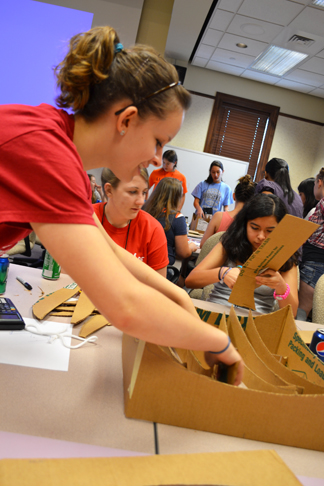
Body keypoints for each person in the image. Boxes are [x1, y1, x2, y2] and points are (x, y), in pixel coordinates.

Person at [0, 26, 243, 384]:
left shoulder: (63, 156)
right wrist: (218, 342)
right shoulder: (47, 152)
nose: (158, 159)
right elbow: (124, 307)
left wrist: (178, 296)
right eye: (159, 142)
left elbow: (110, 251)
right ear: (127, 120)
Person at [186, 194, 299, 316]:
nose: (261, 236)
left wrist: (281, 287)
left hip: (255, 323)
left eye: (270, 231)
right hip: (216, 313)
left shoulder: (285, 257)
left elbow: (292, 312)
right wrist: (223, 272)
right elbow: (191, 281)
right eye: (255, 228)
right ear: (245, 224)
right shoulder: (229, 244)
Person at [93, 167, 168, 277]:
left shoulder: (152, 229)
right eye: (133, 192)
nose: (141, 201)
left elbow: (160, 289)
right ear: (109, 190)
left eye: (144, 192)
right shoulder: (85, 218)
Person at [143, 178, 197, 280]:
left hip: (139, 264)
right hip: (162, 272)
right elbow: (183, 252)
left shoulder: (143, 210)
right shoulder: (176, 217)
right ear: (177, 197)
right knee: (183, 279)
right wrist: (192, 247)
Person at [200, 175, 256, 248]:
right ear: (253, 200)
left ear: (233, 196)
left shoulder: (218, 217)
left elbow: (203, 245)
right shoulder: (253, 223)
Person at [298, 168, 324, 320]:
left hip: (314, 263)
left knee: (301, 312)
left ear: (319, 182)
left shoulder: (322, 202)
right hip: (317, 262)